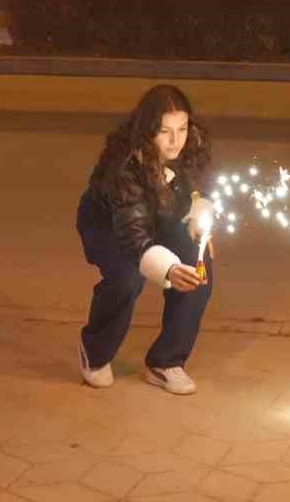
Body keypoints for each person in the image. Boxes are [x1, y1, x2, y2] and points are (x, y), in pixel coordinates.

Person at [76, 84, 216, 395]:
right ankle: (94, 350)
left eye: (182, 128)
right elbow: (133, 233)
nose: (175, 140)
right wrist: (166, 269)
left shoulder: (192, 144)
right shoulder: (125, 165)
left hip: (160, 214)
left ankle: (166, 361)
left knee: (198, 267)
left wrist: (199, 214)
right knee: (127, 278)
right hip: (111, 225)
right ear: (148, 130)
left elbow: (201, 184)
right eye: (165, 131)